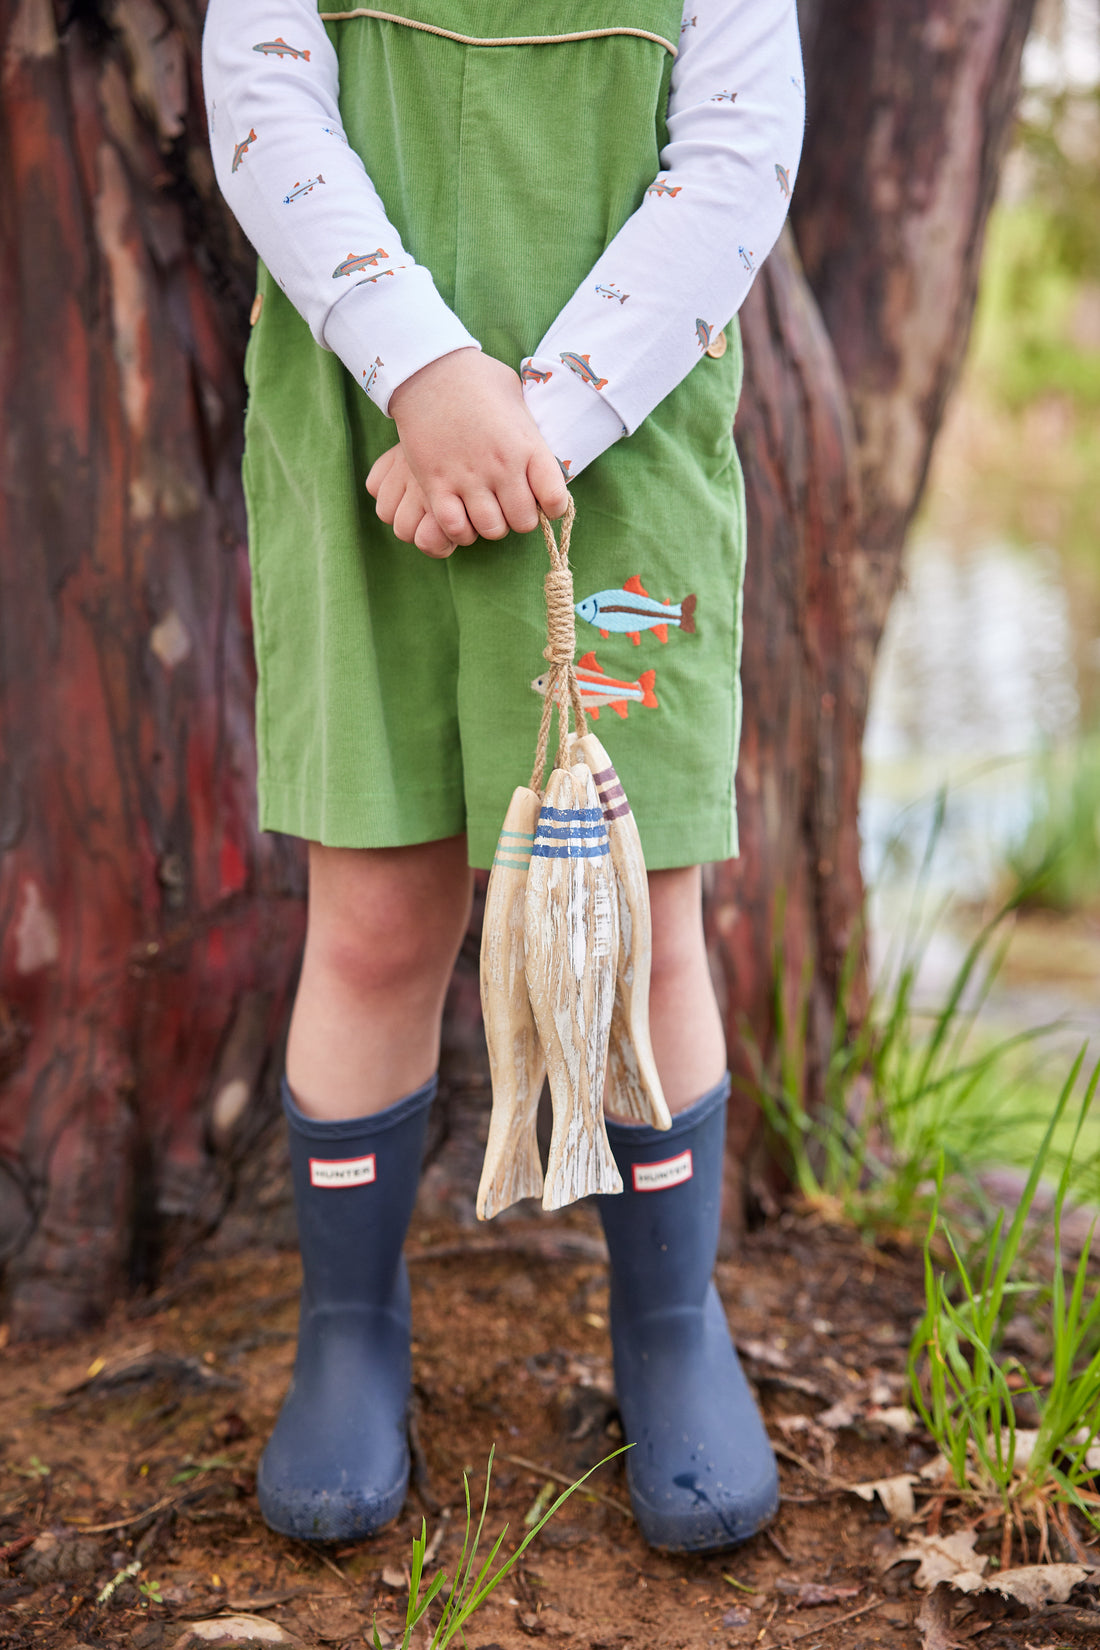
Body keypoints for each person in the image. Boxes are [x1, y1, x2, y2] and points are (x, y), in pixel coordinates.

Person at [202, 0, 804, 1553]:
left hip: (625, 455)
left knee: (641, 916)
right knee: (378, 920)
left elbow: (737, 163)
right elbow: (265, 108)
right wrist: (423, 372)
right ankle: (349, 1325)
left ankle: (670, 1322)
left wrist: (534, 414)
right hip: (367, 442)